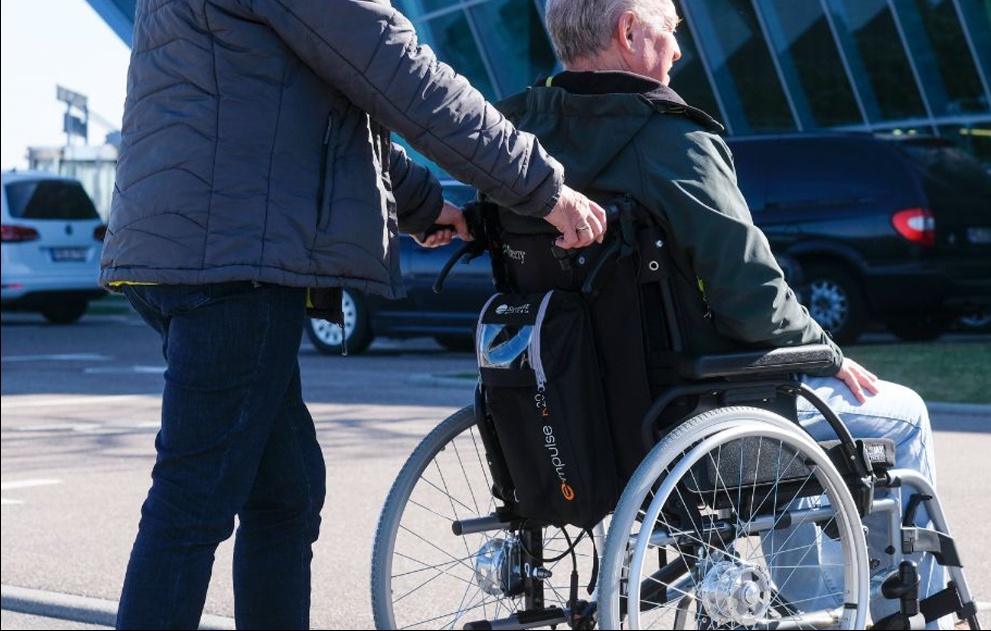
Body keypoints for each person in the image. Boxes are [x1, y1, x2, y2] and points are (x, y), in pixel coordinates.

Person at [98, 1, 611, 629]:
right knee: (194, 500)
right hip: (234, 261)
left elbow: (312, 112)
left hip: (179, 247)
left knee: (283, 493)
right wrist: (543, 189)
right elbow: (403, 76)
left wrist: (424, 206)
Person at [493, 0, 948, 627]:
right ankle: (895, 611)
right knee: (897, 415)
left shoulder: (513, 140)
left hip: (575, 415)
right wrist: (826, 353)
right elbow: (753, 294)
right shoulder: (669, 139)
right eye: (670, 31)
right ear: (629, 31)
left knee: (778, 409)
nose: (679, 51)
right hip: (684, 415)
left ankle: (818, 597)